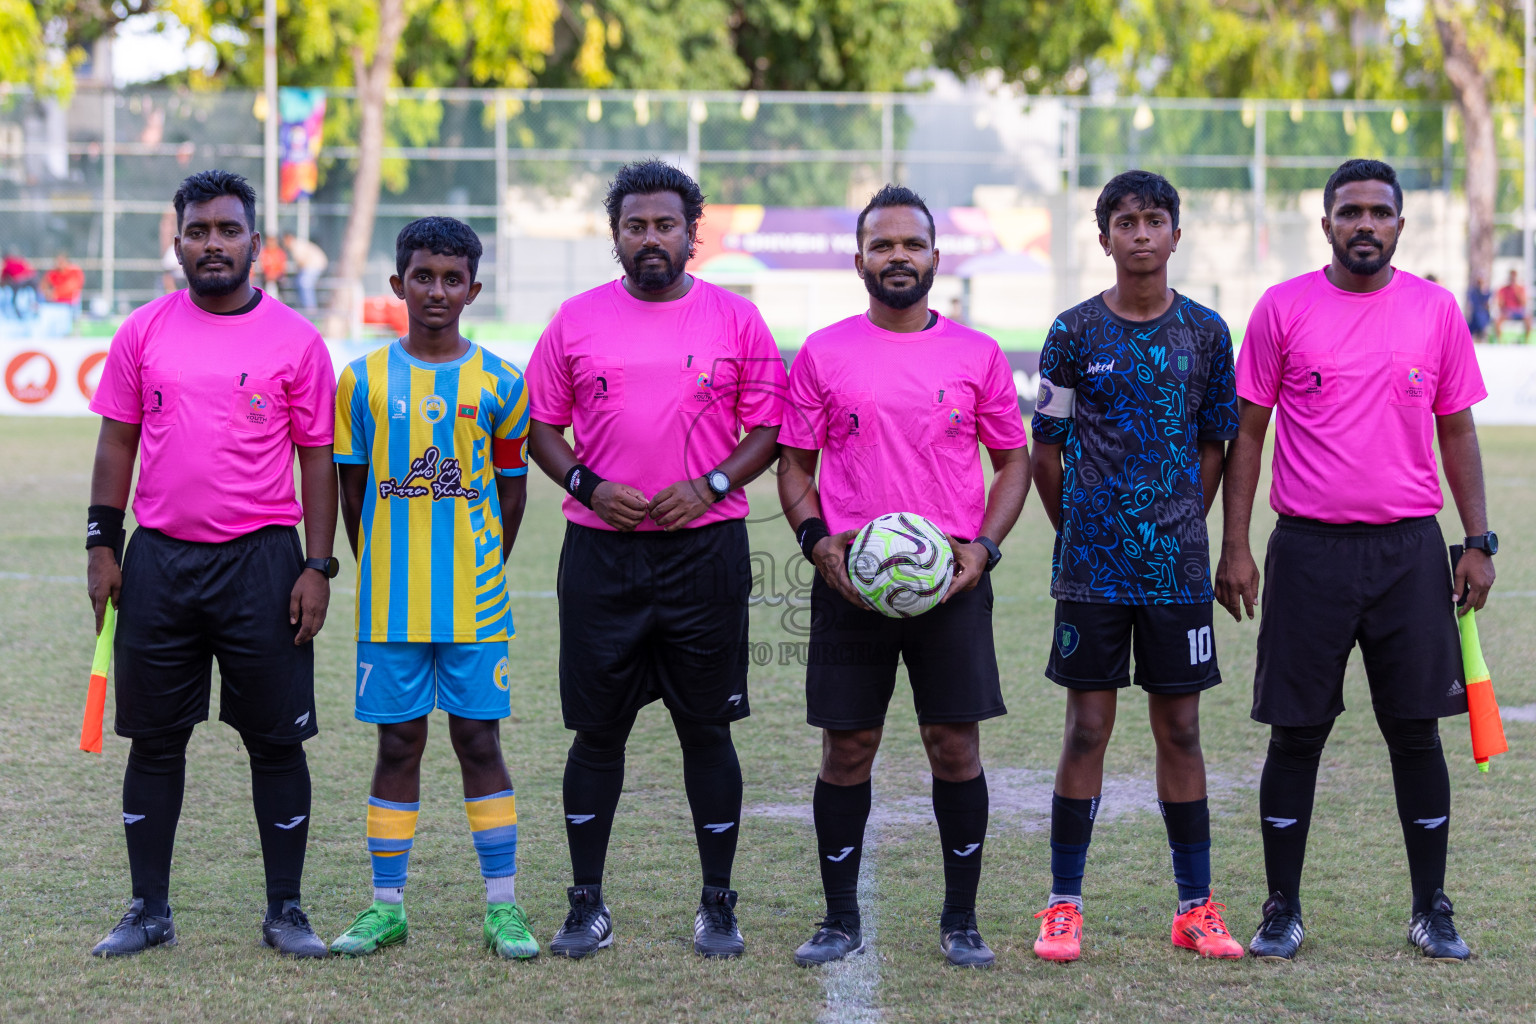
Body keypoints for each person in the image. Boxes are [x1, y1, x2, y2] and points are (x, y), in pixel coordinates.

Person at [1217, 158, 1493, 962]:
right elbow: (1248, 432)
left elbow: (1458, 430)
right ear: (1327, 223)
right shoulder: (1282, 308)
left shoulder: (1436, 310)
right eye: (1350, 212)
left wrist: (1476, 540)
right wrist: (1235, 544)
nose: (1364, 224)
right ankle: (1282, 909)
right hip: (1308, 551)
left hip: (1409, 551)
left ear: (1401, 226)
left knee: (1416, 734)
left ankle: (1431, 909)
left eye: (1379, 212)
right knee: (1295, 735)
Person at [524, 160, 787, 960]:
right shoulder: (574, 320)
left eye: (664, 225)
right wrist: (587, 484)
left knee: (706, 729)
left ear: (691, 234)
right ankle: (585, 904)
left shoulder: (737, 321)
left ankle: (717, 904)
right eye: (634, 226)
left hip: (704, 553)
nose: (650, 239)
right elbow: (540, 426)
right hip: (602, 555)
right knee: (596, 734)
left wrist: (709, 487)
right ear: (615, 236)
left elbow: (769, 429)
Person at [84, 169, 339, 958]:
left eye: (228, 231)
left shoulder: (296, 340)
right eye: (198, 231)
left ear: (256, 245)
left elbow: (318, 460)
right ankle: (148, 910)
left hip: (264, 561)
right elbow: (117, 442)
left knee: (276, 742)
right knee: (155, 741)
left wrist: (318, 567)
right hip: (160, 561)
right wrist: (101, 542)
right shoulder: (143, 332)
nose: (213, 244)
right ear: (178, 241)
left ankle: (286, 911)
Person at [778, 185, 1030, 969]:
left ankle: (961, 920)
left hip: (949, 582)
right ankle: (839, 918)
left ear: (935, 258)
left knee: (954, 746)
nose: (897, 257)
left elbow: (1013, 462)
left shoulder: (977, 354)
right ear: (858, 261)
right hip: (851, 582)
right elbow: (794, 465)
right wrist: (818, 543)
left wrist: (982, 551)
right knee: (847, 747)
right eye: (882, 246)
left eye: (911, 245)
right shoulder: (823, 352)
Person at [1028, 170, 1243, 964]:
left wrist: (1188, 518)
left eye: (1156, 220)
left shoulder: (1209, 334)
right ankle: (1062, 905)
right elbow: (1043, 448)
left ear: (1177, 235)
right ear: (1105, 236)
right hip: (1092, 566)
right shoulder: (1073, 332)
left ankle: (1195, 907)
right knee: (1087, 726)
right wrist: (1077, 525)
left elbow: (1218, 441)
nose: (1142, 233)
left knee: (1180, 728)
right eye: (1127, 221)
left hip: (1176, 568)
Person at [327, 218, 538, 960]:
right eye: (423, 276)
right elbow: (353, 493)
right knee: (398, 744)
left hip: (476, 604)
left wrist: (482, 564)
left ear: (474, 289)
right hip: (390, 605)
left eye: (453, 279)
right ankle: (387, 906)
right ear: (397, 285)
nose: (437, 291)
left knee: (480, 741)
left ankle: (503, 907)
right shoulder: (361, 380)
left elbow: (512, 495)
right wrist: (383, 561)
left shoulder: (502, 384)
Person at [283, 232, 329, 312]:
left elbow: (301, 262)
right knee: (299, 282)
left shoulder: (296, 245)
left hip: (314, 265)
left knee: (304, 283)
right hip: (314, 265)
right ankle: (304, 305)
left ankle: (310, 308)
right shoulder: (298, 244)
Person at [1494, 269, 1528, 344]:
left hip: (1518, 312)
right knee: (1497, 321)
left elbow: (1524, 303)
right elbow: (1500, 303)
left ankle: (1526, 341)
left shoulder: (1520, 289)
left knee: (1528, 320)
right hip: (1507, 312)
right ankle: (1500, 341)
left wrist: (1516, 291)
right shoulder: (1503, 289)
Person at [260, 238, 288, 302]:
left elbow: (281, 266)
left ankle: (281, 302)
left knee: (281, 284)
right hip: (266, 276)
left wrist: (274, 274)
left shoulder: (280, 252)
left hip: (278, 276)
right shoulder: (264, 251)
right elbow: (263, 265)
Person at [1466, 273, 1491, 342]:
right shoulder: (1473, 292)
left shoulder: (1487, 292)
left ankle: (1481, 332)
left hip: (1484, 314)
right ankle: (1480, 333)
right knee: (1478, 316)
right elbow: (1475, 303)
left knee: (1481, 316)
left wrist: (1483, 292)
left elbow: (1488, 304)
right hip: (1476, 314)